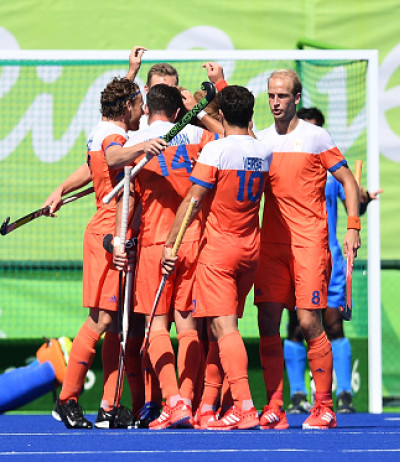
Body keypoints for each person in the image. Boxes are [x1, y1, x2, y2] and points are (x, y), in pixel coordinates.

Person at [47, 77, 166, 429]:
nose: (144, 111)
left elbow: (94, 165)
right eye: (139, 104)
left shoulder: (103, 129)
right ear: (126, 106)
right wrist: (144, 147)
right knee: (101, 320)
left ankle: (109, 406)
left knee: (115, 324)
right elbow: (114, 156)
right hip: (110, 235)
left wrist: (59, 188)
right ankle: (66, 400)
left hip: (116, 232)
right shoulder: (115, 138)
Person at [254, 70, 361, 430]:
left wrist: (352, 227)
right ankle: (274, 406)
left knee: (308, 322)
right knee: (267, 321)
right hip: (271, 247)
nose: (275, 102)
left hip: (309, 244)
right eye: (271, 96)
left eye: (282, 96)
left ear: (296, 98)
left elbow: (347, 180)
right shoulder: (261, 140)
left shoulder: (316, 137)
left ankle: (326, 406)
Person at [161, 84, 271, 430]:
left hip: (219, 250)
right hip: (251, 249)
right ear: (251, 115)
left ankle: (245, 405)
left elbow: (193, 200)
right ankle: (208, 405)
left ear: (221, 115)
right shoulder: (264, 151)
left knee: (224, 329)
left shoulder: (217, 152)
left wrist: (171, 245)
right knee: (216, 327)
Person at [112, 83, 216, 430]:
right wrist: (201, 113)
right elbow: (231, 139)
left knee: (156, 326)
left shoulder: (135, 144)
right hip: (192, 240)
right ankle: (186, 400)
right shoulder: (200, 139)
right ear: (176, 112)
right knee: (188, 327)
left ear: (148, 110)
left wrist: (118, 239)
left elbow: (126, 198)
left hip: (156, 243)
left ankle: (172, 400)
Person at [284, 108, 382, 415]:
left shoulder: (333, 171)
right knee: (296, 326)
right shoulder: (286, 159)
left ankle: (343, 394)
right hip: (293, 254)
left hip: (329, 258)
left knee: (333, 324)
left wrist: (362, 202)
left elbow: (355, 203)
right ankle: (299, 394)